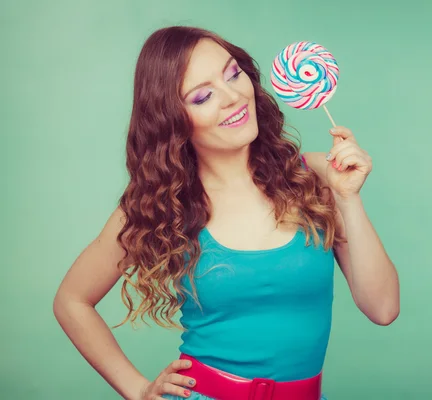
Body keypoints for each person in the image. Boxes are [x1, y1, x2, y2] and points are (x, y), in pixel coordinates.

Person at [53, 26, 399, 400]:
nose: (234, 97)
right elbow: (72, 300)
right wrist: (137, 389)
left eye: (233, 74)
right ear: (173, 120)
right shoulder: (161, 206)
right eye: (203, 96)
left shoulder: (314, 177)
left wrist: (348, 198)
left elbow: (382, 308)